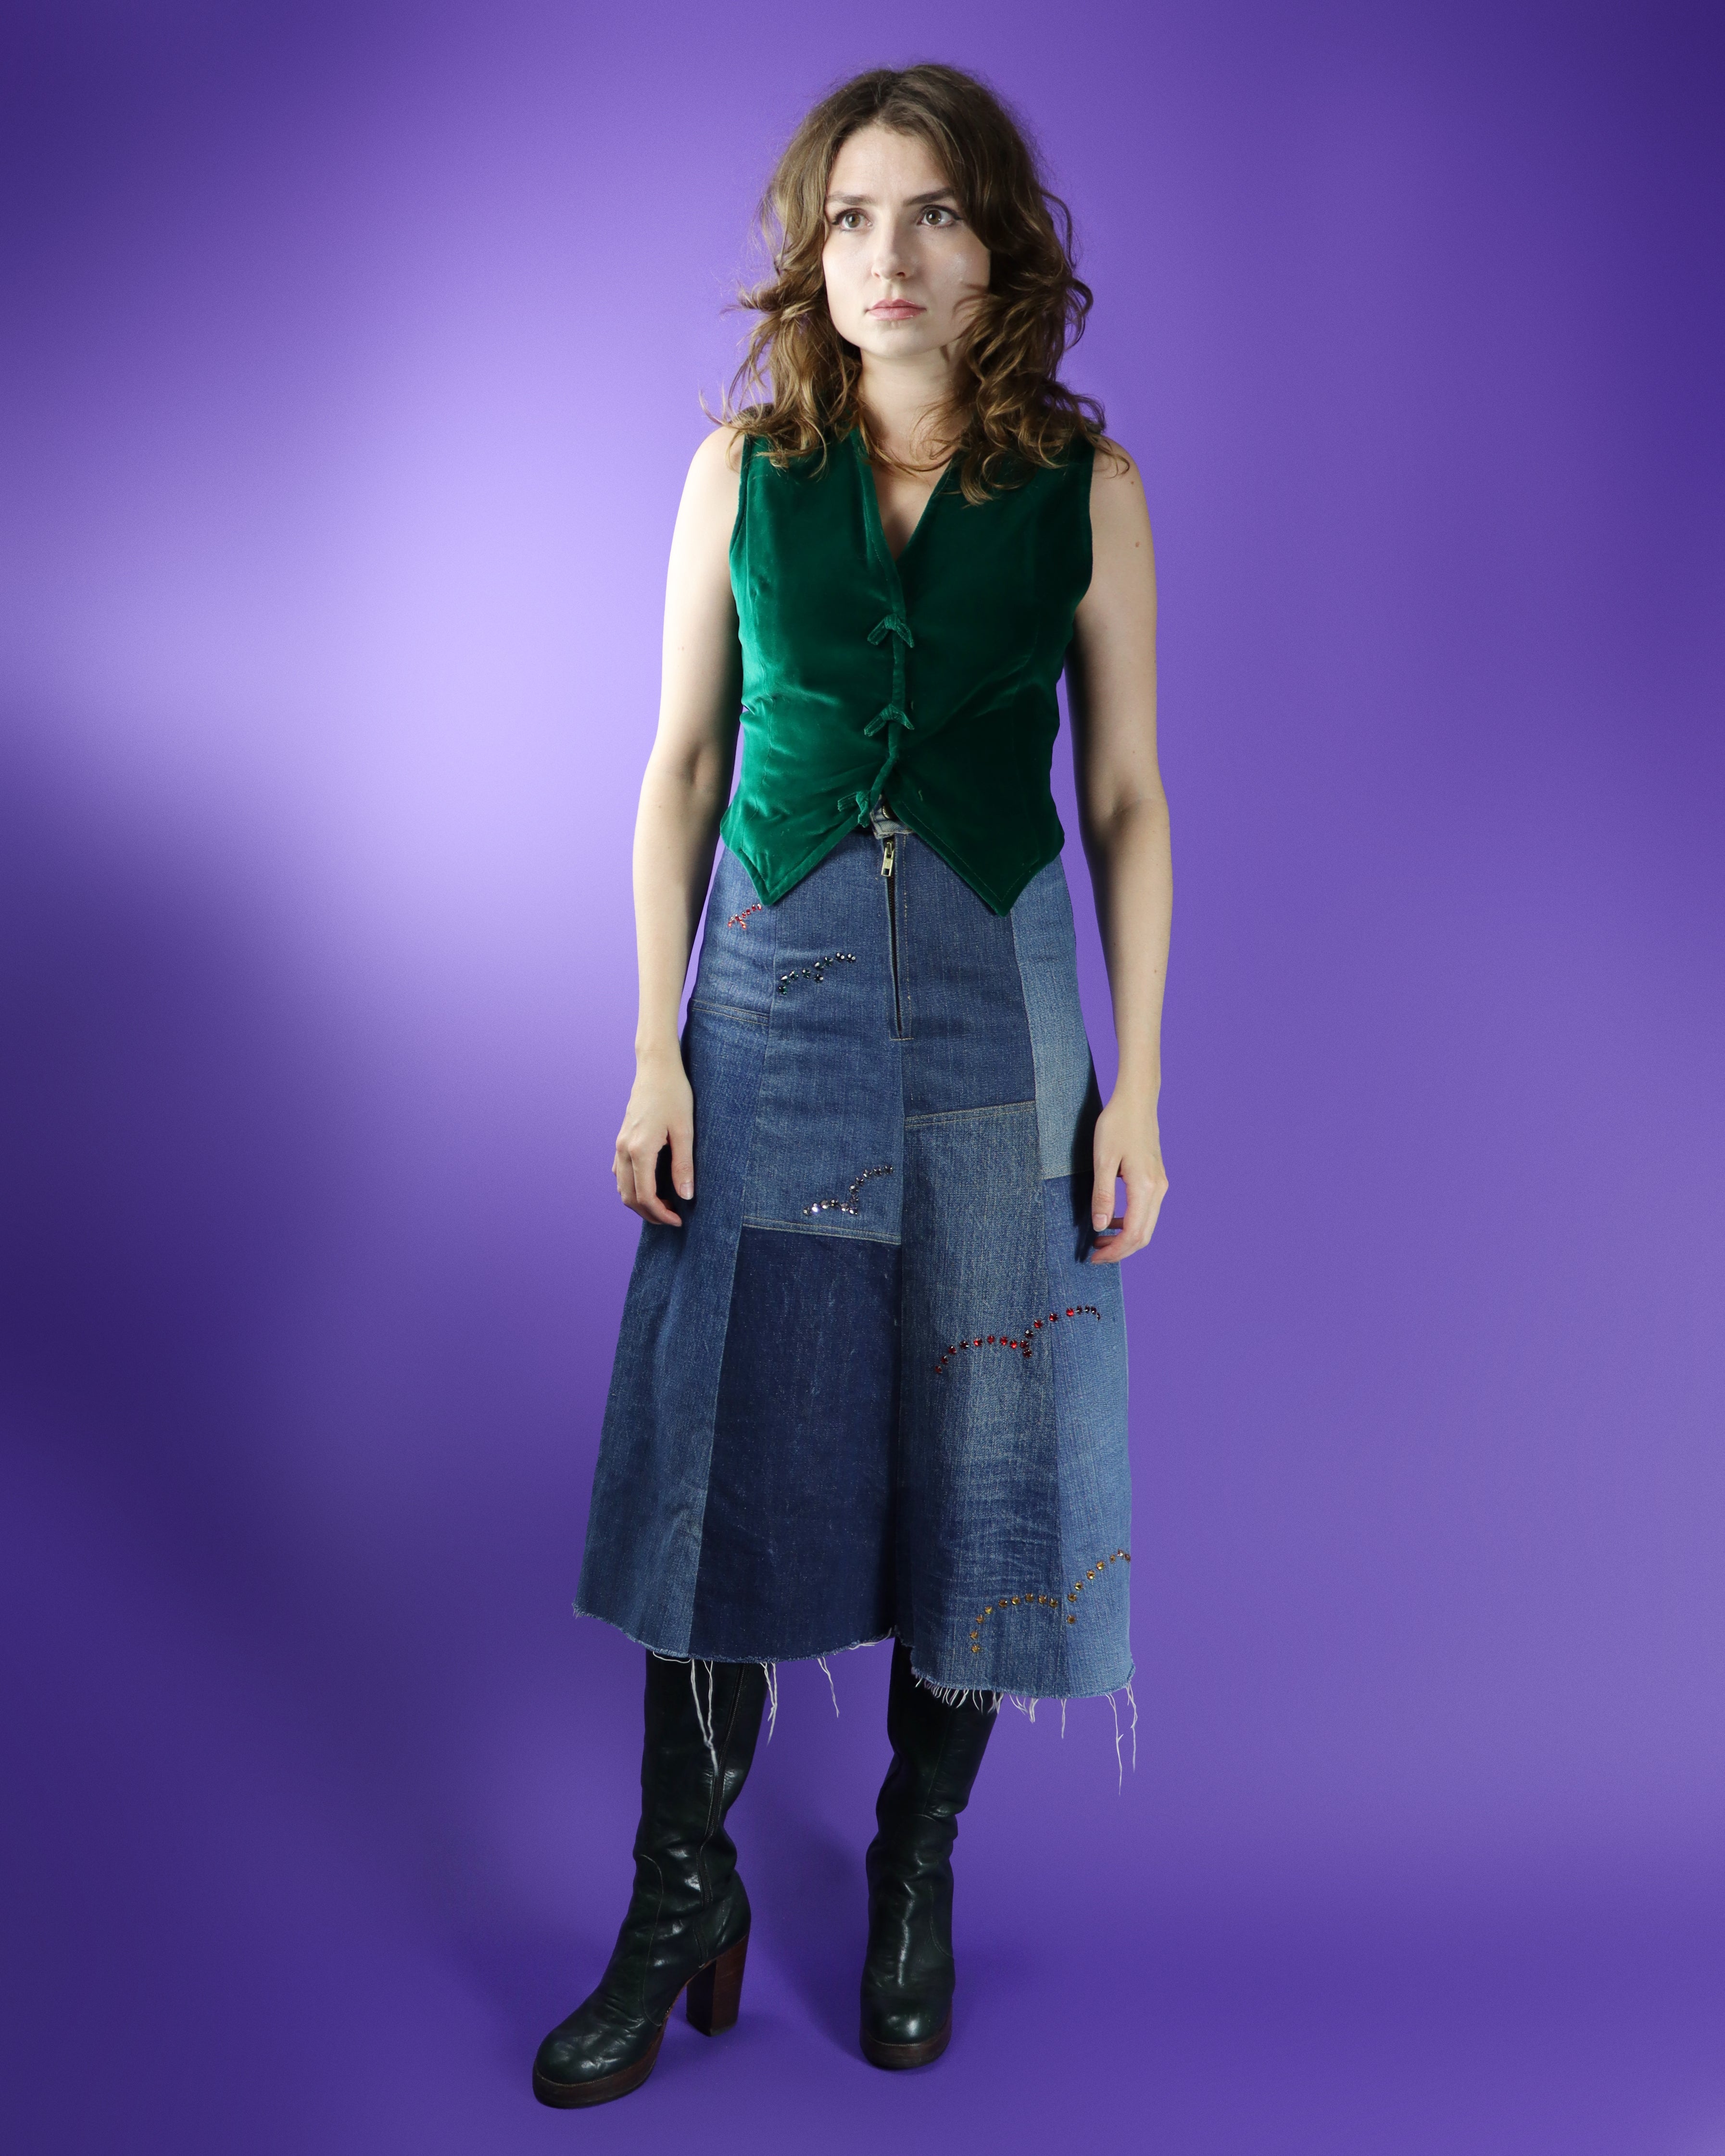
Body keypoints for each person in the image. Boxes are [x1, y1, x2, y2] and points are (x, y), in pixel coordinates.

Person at [534, 62, 1171, 2107]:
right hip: (771, 1000)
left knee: (987, 1426)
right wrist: (654, 1044)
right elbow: (680, 769)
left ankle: (915, 1861)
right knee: (727, 1425)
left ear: (1002, 246)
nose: (889, 256)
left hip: (999, 1006)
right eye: (852, 219)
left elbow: (1128, 797)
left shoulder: (1086, 485)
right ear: (814, 255)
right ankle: (681, 1884)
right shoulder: (740, 472)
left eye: (935, 213)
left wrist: (1141, 1089)